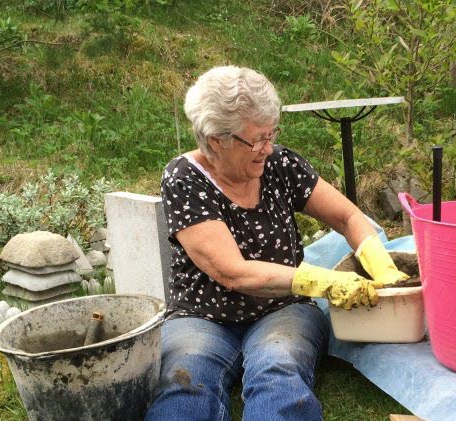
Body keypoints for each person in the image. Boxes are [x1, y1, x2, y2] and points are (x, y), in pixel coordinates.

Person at [145, 65, 409, 421]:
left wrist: (380, 262)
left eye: (271, 134)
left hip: (283, 308)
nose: (267, 149)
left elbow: (347, 217)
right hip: (202, 314)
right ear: (215, 140)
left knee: (278, 368)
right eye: (256, 139)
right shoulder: (184, 178)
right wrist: (321, 280)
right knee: (185, 380)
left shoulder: (280, 163)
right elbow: (232, 272)